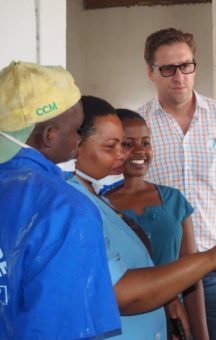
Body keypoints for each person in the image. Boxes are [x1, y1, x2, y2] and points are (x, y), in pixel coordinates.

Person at [68, 95, 216, 340]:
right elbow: (120, 291)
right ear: (75, 144)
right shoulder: (74, 204)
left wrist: (170, 299)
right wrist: (214, 256)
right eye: (113, 146)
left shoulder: (98, 199)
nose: (122, 154)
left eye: (126, 144)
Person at [139, 27, 216, 339]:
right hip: (162, 270)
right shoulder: (137, 126)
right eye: (168, 68)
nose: (179, 76)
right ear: (151, 72)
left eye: (186, 65)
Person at [0, 61, 120, 339]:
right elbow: (63, 326)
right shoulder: (67, 210)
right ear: (49, 135)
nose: (79, 138)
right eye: (78, 129)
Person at [106, 109, 209, 340]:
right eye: (128, 143)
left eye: (146, 142)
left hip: (176, 323)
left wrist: (201, 334)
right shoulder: (102, 205)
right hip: (127, 324)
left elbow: (191, 275)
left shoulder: (174, 201)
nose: (140, 150)